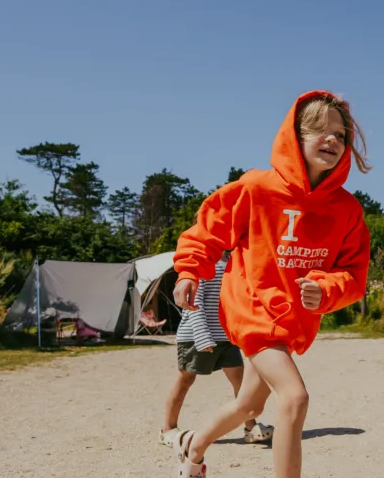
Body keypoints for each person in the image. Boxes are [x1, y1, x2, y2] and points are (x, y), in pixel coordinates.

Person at [169, 90, 372, 478]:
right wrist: (190, 271)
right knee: (294, 398)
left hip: (292, 320)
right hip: (254, 309)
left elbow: (353, 274)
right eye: (319, 130)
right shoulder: (256, 188)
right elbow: (206, 231)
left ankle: (192, 446)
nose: (331, 140)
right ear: (293, 136)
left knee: (249, 406)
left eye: (340, 135)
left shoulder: (347, 209)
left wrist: (326, 289)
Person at [159, 252, 274, 448]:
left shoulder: (233, 261)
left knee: (241, 381)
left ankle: (250, 428)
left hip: (226, 336)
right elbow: (194, 303)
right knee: (186, 379)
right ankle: (168, 430)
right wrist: (203, 337)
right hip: (196, 335)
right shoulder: (202, 263)